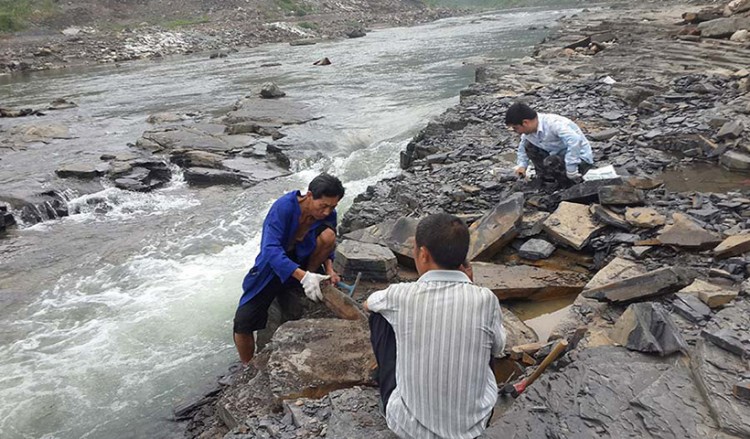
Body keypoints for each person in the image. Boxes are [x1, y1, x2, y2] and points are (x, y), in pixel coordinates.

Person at [364, 213, 506, 439]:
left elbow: (368, 303)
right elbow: (498, 350)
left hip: (409, 427)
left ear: (423, 254)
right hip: (474, 426)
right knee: (486, 336)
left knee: (380, 316)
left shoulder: (400, 295)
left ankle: (390, 391)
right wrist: (471, 286)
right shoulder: (486, 299)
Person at [233, 173, 345, 365]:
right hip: (273, 265)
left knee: (328, 236)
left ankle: (305, 280)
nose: (327, 212)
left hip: (304, 260)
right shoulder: (283, 208)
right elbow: (269, 249)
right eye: (323, 206)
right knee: (243, 321)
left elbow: (329, 244)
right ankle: (247, 367)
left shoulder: (328, 214)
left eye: (332, 207)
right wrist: (303, 277)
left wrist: (330, 269)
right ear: (309, 196)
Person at [505, 102, 594, 186]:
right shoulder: (529, 132)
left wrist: (571, 169)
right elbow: (522, 148)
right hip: (557, 156)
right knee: (529, 145)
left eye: (515, 128)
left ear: (525, 123)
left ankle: (568, 184)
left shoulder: (553, 124)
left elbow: (575, 140)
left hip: (579, 160)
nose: (516, 131)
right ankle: (546, 178)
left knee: (551, 161)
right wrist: (522, 166)